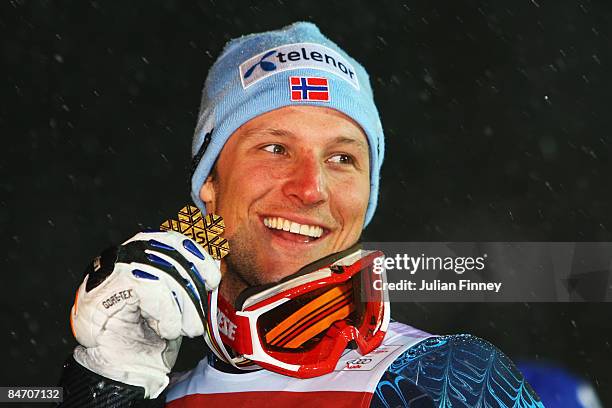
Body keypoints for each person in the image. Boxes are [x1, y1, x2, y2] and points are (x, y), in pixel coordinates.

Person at [58, 22, 544, 407]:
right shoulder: (157, 392)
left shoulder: (438, 380)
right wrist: (102, 384)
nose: (312, 189)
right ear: (209, 182)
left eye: (342, 159)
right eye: (274, 148)